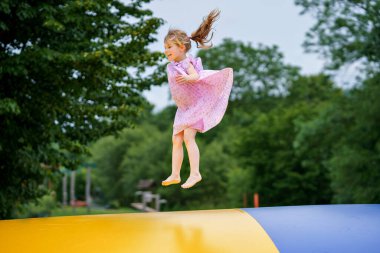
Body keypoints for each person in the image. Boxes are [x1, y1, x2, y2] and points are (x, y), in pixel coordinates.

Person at [161, 9, 233, 189]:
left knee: (187, 137)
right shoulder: (174, 65)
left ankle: (195, 173)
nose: (166, 50)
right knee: (176, 140)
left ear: (182, 47)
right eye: (165, 47)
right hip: (184, 108)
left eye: (169, 47)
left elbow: (195, 76)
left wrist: (187, 78)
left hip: (196, 105)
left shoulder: (187, 63)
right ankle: (175, 174)